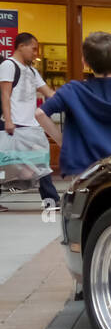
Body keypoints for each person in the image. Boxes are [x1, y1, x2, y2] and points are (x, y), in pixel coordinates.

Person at [33, 32, 111, 179]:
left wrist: (63, 142)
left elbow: (40, 114)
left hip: (86, 167)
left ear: (85, 62)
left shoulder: (73, 90)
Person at [0, 32, 59, 211]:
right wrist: (9, 120)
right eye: (33, 49)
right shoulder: (8, 66)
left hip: (31, 126)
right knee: (4, 164)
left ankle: (51, 199)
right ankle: (51, 200)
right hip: (15, 125)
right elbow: (5, 94)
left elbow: (48, 93)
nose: (36, 54)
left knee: (41, 163)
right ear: (21, 46)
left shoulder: (32, 71)